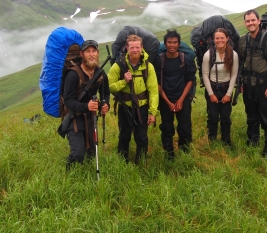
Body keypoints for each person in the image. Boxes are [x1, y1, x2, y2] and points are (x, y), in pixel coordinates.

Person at [108, 34, 159, 163]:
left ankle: (140, 162)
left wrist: (152, 112)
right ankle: (122, 162)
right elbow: (110, 87)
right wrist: (123, 82)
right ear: (127, 48)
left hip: (142, 107)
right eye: (132, 47)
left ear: (142, 48)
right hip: (125, 107)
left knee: (141, 137)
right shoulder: (118, 66)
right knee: (124, 135)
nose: (135, 50)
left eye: (137, 47)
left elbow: (153, 91)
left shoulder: (148, 67)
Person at [238, 9, 267, 157]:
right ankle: (253, 140)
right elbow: (240, 61)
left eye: (253, 20)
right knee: (251, 115)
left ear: (259, 21)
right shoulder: (243, 40)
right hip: (248, 85)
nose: (250, 23)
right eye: (248, 21)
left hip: (264, 85)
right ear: (245, 23)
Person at [63, 40, 110, 169]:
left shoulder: (100, 73)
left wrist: (105, 105)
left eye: (93, 51)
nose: (91, 54)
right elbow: (68, 101)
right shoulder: (73, 74)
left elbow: (105, 93)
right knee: (78, 154)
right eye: (88, 51)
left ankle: (87, 176)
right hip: (75, 119)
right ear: (81, 54)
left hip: (91, 118)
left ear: (98, 53)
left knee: (92, 153)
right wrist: (86, 107)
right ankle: (68, 172)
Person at [154, 29, 196, 160]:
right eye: (169, 42)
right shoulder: (159, 61)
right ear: (165, 44)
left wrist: (181, 100)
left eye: (175, 42)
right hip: (165, 99)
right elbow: (157, 84)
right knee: (167, 128)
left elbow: (190, 80)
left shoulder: (186, 59)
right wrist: (168, 102)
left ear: (179, 44)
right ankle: (169, 154)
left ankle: (184, 153)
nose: (172, 45)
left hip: (183, 98)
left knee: (185, 127)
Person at [202, 28, 239, 147]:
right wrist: (211, 94)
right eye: (217, 38)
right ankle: (212, 139)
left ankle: (226, 140)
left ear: (227, 38)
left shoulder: (233, 55)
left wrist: (228, 94)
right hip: (212, 88)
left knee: (225, 117)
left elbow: (234, 75)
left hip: (225, 88)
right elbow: (205, 75)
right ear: (214, 40)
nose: (219, 40)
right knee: (212, 116)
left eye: (222, 37)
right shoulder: (208, 55)